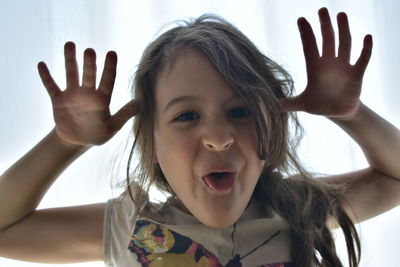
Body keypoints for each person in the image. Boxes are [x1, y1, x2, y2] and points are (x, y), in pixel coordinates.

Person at [0, 7, 399, 267]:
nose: (219, 138)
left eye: (240, 112)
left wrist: (352, 115)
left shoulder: (299, 211)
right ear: (150, 142)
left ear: (270, 131)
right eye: (187, 115)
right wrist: (65, 144)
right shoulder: (134, 227)